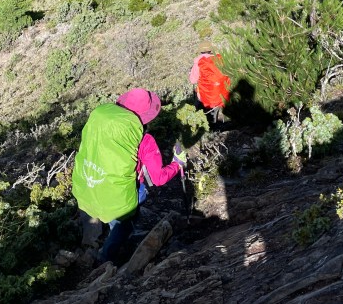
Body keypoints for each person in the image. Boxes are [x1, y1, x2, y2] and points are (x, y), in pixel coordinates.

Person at [72, 88, 185, 265]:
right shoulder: (145, 141)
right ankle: (106, 259)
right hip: (120, 196)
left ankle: (107, 236)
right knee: (123, 224)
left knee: (112, 218)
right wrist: (177, 164)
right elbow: (158, 179)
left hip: (93, 185)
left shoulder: (100, 126)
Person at [189, 41, 231, 123]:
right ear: (211, 50)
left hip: (206, 97)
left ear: (200, 51)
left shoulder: (198, 61)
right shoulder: (220, 58)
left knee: (197, 102)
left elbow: (193, 80)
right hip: (222, 95)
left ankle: (198, 120)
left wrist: (190, 73)